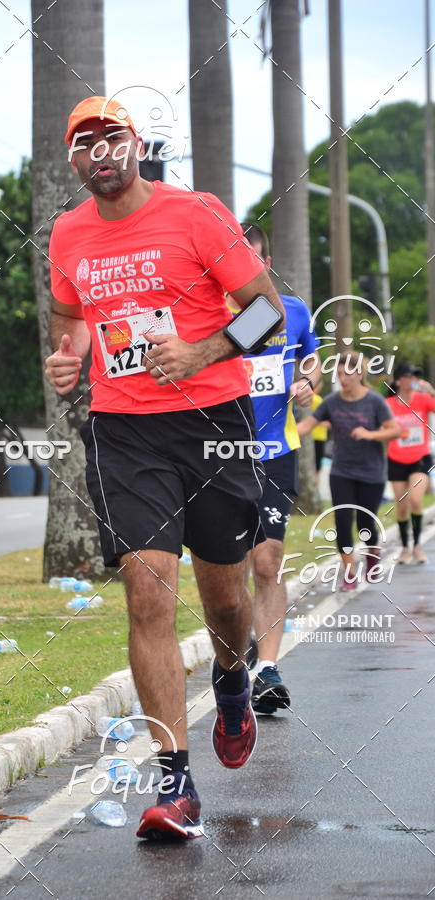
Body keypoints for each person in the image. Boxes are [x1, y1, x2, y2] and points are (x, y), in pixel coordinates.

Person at [45, 96, 285, 841]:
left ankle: (232, 675)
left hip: (215, 422)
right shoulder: (68, 232)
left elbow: (267, 311)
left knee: (225, 600)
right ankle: (176, 782)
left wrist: (204, 351)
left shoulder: (197, 214)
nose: (99, 152)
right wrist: (68, 357)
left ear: (136, 144)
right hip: (125, 431)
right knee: (147, 593)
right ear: (75, 163)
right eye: (83, 144)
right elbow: (69, 316)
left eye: (110, 136)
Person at [228, 224, 320, 716]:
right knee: (230, 567)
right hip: (219, 457)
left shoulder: (293, 311)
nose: (250, 268)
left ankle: (267, 670)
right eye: (240, 259)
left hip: (275, 451)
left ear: (266, 262)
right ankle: (239, 646)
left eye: (257, 259)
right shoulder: (209, 315)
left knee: (268, 560)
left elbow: (311, 361)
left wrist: (306, 382)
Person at [297, 352, 399, 590]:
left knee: (365, 523)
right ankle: (350, 573)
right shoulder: (331, 402)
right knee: (342, 522)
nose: (342, 378)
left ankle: (372, 557)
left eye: (347, 373)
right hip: (342, 471)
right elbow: (306, 425)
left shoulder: (374, 401)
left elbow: (394, 431)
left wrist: (370, 434)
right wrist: (282, 436)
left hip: (371, 472)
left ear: (360, 374)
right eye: (339, 374)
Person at [385, 362, 435, 564]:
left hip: (420, 458)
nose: (412, 379)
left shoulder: (423, 399)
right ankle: (405, 547)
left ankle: (417, 546)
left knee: (415, 500)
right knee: (402, 506)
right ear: (398, 380)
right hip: (396, 458)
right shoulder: (388, 404)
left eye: (415, 376)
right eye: (408, 376)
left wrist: (430, 390)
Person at [311, 392, 330, 486]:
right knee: (317, 466)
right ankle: (315, 485)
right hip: (318, 437)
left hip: (309, 437)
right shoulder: (318, 400)